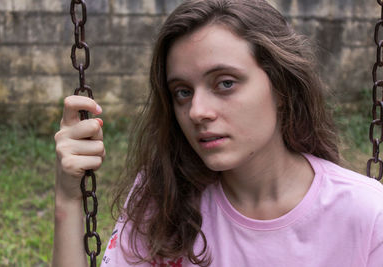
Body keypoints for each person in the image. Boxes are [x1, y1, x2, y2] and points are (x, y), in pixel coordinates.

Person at [52, 0, 383, 266]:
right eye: (182, 91)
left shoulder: (367, 215)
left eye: (225, 83)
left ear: (282, 89)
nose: (197, 111)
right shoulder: (162, 199)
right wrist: (67, 198)